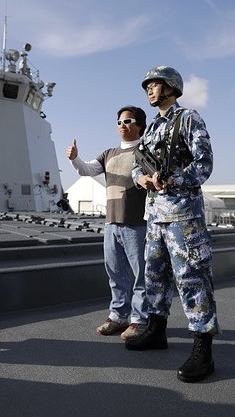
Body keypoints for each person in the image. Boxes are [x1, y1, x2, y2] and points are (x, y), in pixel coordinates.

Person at [127, 66, 219, 384]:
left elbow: (204, 163)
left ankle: (202, 350)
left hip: (183, 216)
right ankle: (156, 331)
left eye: (154, 85)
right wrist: (144, 178)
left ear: (171, 87)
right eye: (147, 86)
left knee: (192, 280)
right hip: (156, 216)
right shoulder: (152, 128)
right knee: (155, 276)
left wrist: (174, 178)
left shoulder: (188, 118)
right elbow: (137, 166)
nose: (149, 90)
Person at [66, 106, 149, 340]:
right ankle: (119, 316)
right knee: (115, 272)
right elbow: (87, 169)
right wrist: (74, 159)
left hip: (138, 224)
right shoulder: (108, 153)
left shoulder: (145, 150)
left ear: (140, 125)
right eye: (119, 122)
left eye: (128, 121)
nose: (122, 125)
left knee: (141, 274)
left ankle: (140, 319)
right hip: (112, 223)